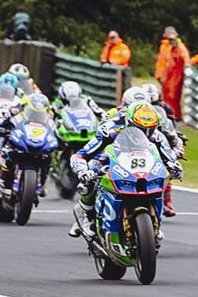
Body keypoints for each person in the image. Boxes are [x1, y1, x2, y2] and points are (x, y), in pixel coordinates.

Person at [68, 102, 181, 239]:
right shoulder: (109, 130)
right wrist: (83, 170)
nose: (145, 134)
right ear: (130, 123)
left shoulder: (156, 135)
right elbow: (81, 154)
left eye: (150, 129)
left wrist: (174, 166)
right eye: (140, 129)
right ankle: (86, 213)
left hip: (141, 163)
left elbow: (169, 158)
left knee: (159, 181)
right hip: (107, 158)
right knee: (90, 178)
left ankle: (154, 224)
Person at [0, 93, 53, 216]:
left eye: (39, 113)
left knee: (47, 157)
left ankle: (40, 182)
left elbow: (54, 131)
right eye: (33, 112)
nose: (36, 115)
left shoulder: (49, 119)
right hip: (11, 144)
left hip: (33, 146)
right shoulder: (15, 113)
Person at [154, 27, 189, 118]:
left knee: (173, 96)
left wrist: (187, 70)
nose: (171, 41)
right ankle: (169, 114)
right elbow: (163, 62)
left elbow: (186, 59)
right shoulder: (168, 48)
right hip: (168, 76)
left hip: (176, 76)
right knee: (167, 96)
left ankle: (175, 116)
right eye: (169, 39)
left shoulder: (180, 48)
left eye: (172, 39)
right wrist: (160, 75)